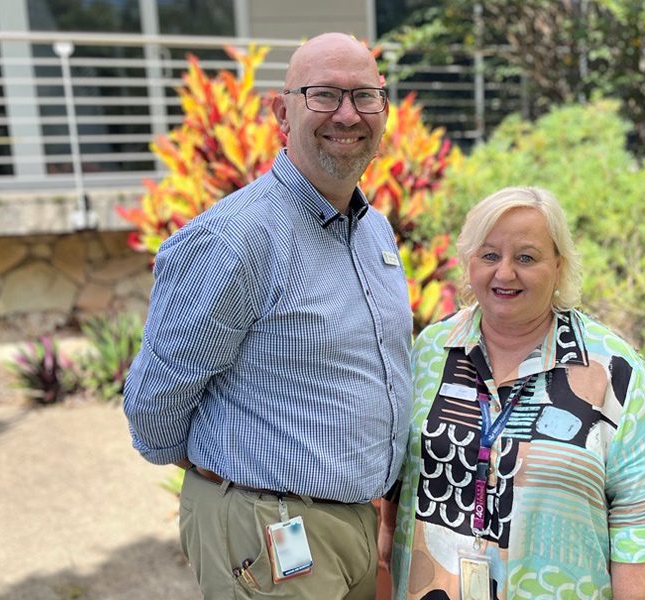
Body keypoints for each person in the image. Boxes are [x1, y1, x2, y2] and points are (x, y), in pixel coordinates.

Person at [123, 33, 413, 600]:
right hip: (270, 528)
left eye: (365, 97)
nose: (348, 115)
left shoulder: (373, 228)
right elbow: (155, 404)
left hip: (353, 521)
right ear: (283, 111)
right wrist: (232, 476)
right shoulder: (233, 240)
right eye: (324, 95)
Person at [382, 187, 645, 599]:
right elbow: (389, 495)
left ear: (559, 266)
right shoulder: (427, 354)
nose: (505, 273)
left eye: (526, 258)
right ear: (469, 262)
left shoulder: (615, 371)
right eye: (490, 255)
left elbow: (643, 520)